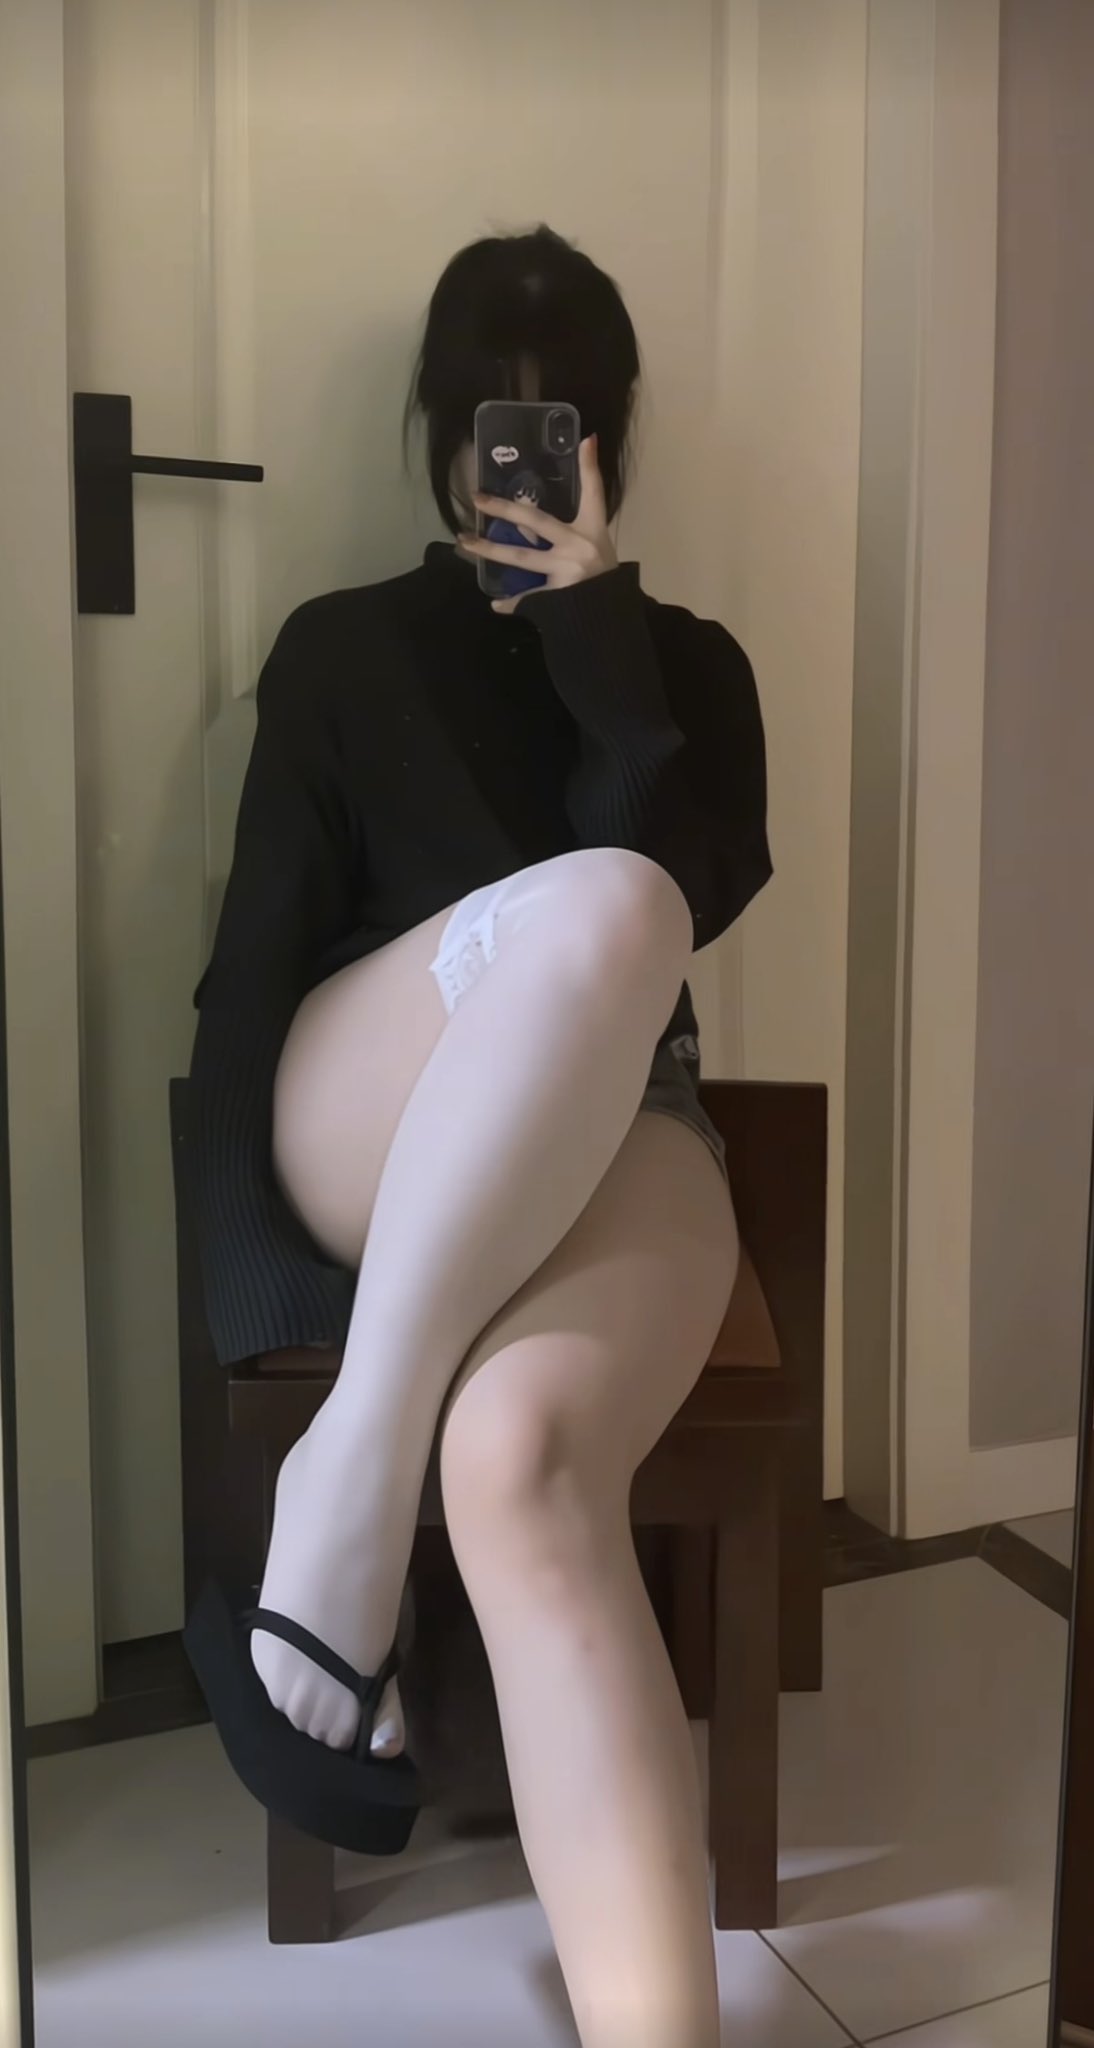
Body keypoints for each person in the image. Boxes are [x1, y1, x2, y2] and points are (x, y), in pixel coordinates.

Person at [186, 222, 771, 2048]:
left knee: (521, 1461)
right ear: (439, 431)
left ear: (609, 438)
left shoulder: (689, 668)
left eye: (557, 420)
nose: (513, 453)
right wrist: (256, 1302)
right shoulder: (343, 650)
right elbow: (248, 984)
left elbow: (688, 894)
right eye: (485, 417)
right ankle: (355, 1456)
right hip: (368, 1100)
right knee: (594, 909)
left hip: (627, 1117)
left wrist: (597, 642)